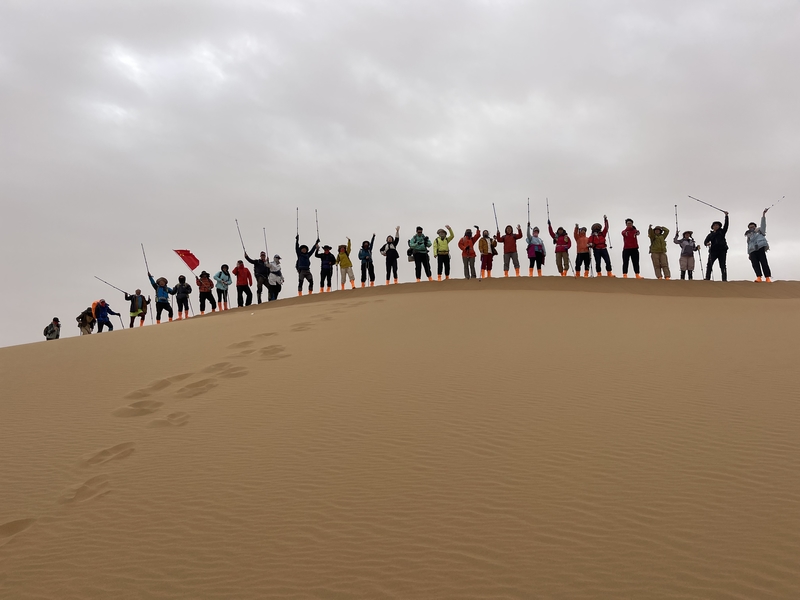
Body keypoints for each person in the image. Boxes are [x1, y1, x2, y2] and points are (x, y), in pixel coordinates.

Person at [746, 208, 772, 282]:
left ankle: (767, 277)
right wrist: (749, 254)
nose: (751, 228)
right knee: (755, 264)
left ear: (755, 226)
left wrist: (763, 215)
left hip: (760, 248)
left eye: (752, 226)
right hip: (752, 250)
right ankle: (758, 277)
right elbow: (748, 245)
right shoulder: (748, 235)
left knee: (764, 263)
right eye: (750, 227)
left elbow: (763, 224)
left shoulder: (760, 231)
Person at [704, 212, 729, 281]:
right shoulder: (710, 235)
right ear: (712, 227)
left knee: (722, 265)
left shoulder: (722, 232)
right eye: (714, 225)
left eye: (717, 225)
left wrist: (726, 216)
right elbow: (705, 241)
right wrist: (707, 243)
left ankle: (724, 279)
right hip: (713, 251)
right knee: (709, 264)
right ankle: (707, 278)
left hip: (722, 250)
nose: (716, 226)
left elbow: (726, 225)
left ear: (719, 226)